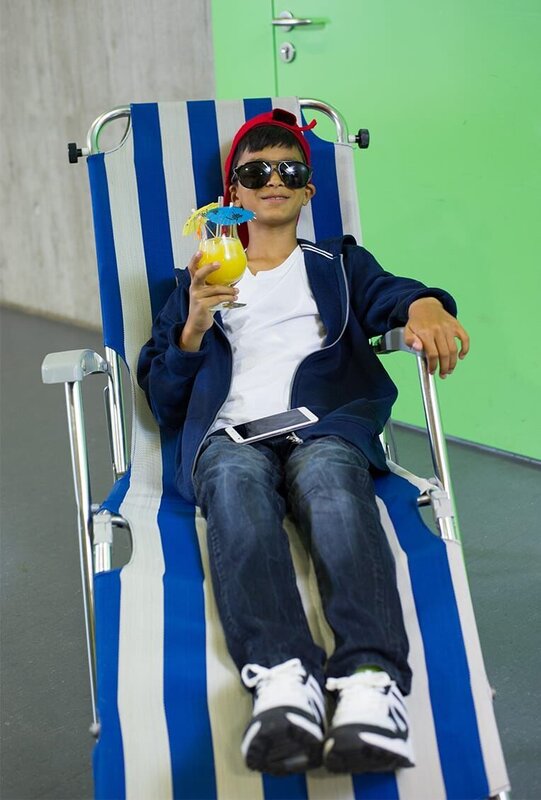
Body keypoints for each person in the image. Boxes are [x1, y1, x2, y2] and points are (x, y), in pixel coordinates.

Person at [137, 108, 469, 777]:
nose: (273, 180)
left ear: (308, 190)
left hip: (323, 424)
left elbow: (394, 295)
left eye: (289, 171)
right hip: (232, 435)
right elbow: (164, 396)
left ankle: (371, 681)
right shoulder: (196, 280)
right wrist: (195, 323)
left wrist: (427, 306)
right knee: (233, 482)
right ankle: (283, 680)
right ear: (232, 193)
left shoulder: (336, 263)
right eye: (256, 171)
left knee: (328, 478)